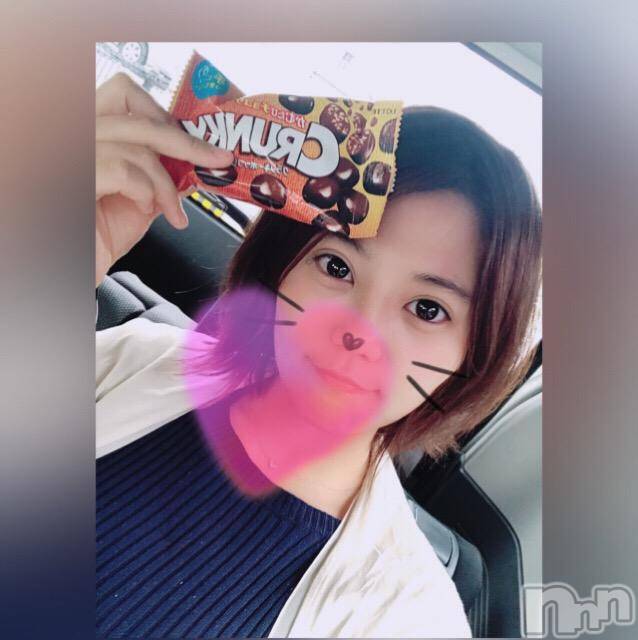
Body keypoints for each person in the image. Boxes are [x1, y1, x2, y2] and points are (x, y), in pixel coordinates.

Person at [96, 73, 541, 638]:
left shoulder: (410, 620)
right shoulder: (130, 359)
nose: (357, 330)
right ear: (280, 263)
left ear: (474, 356)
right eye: (336, 266)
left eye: (428, 309)